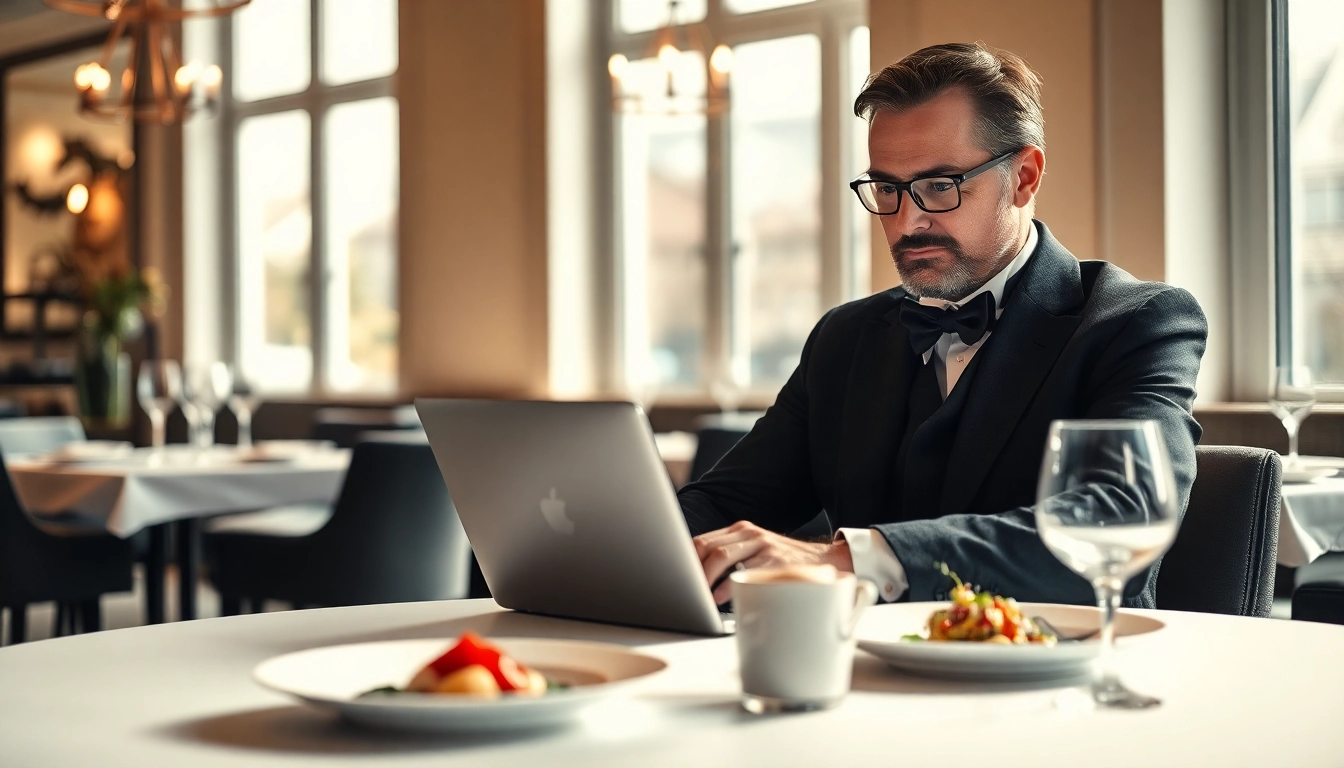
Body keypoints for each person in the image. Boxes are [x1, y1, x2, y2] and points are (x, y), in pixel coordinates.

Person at [678, 42, 1207, 608]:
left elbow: (1121, 518)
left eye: (941, 185)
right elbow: (724, 502)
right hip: (862, 679)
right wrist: (614, 543)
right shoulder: (844, 339)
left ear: (1024, 178)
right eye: (887, 188)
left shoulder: (1137, 323)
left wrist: (848, 561)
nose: (908, 221)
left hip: (1059, 673)